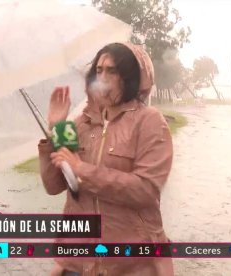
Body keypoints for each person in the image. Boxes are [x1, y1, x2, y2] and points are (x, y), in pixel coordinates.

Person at [38, 42, 174, 276]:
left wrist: (82, 170)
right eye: (99, 70)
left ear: (129, 78)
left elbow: (145, 189)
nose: (103, 76)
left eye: (112, 71)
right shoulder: (80, 123)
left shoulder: (150, 122)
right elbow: (55, 185)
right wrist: (55, 128)